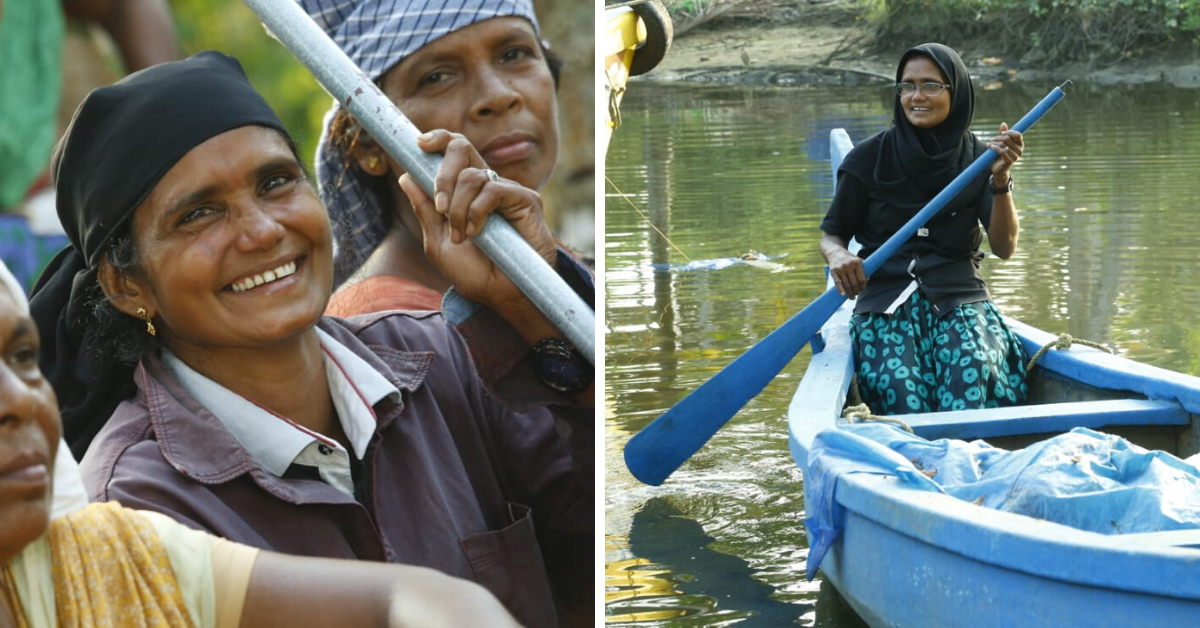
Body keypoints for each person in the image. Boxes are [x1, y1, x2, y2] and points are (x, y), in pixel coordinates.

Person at [27, 50, 592, 628]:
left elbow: (608, 546)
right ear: (126, 286)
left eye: (275, 182)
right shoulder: (138, 506)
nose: (264, 230)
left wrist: (529, 302)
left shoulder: (445, 357)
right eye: (198, 214)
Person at [0, 258, 520, 628]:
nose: (17, 401)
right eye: (198, 214)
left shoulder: (104, 559)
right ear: (128, 286)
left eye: (21, 357)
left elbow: (413, 597)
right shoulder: (136, 492)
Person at [298, 0, 579, 313]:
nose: (498, 96)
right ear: (368, 145)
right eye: (437, 77)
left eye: (514, 54)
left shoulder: (571, 268)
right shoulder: (385, 332)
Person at [819, 42, 1029, 415]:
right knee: (899, 386)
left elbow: (1005, 247)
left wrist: (1001, 180)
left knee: (974, 371)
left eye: (931, 85)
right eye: (908, 85)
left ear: (957, 91)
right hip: (886, 300)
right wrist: (838, 255)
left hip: (959, 298)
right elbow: (832, 235)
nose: (917, 96)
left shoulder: (981, 160)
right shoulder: (867, 159)